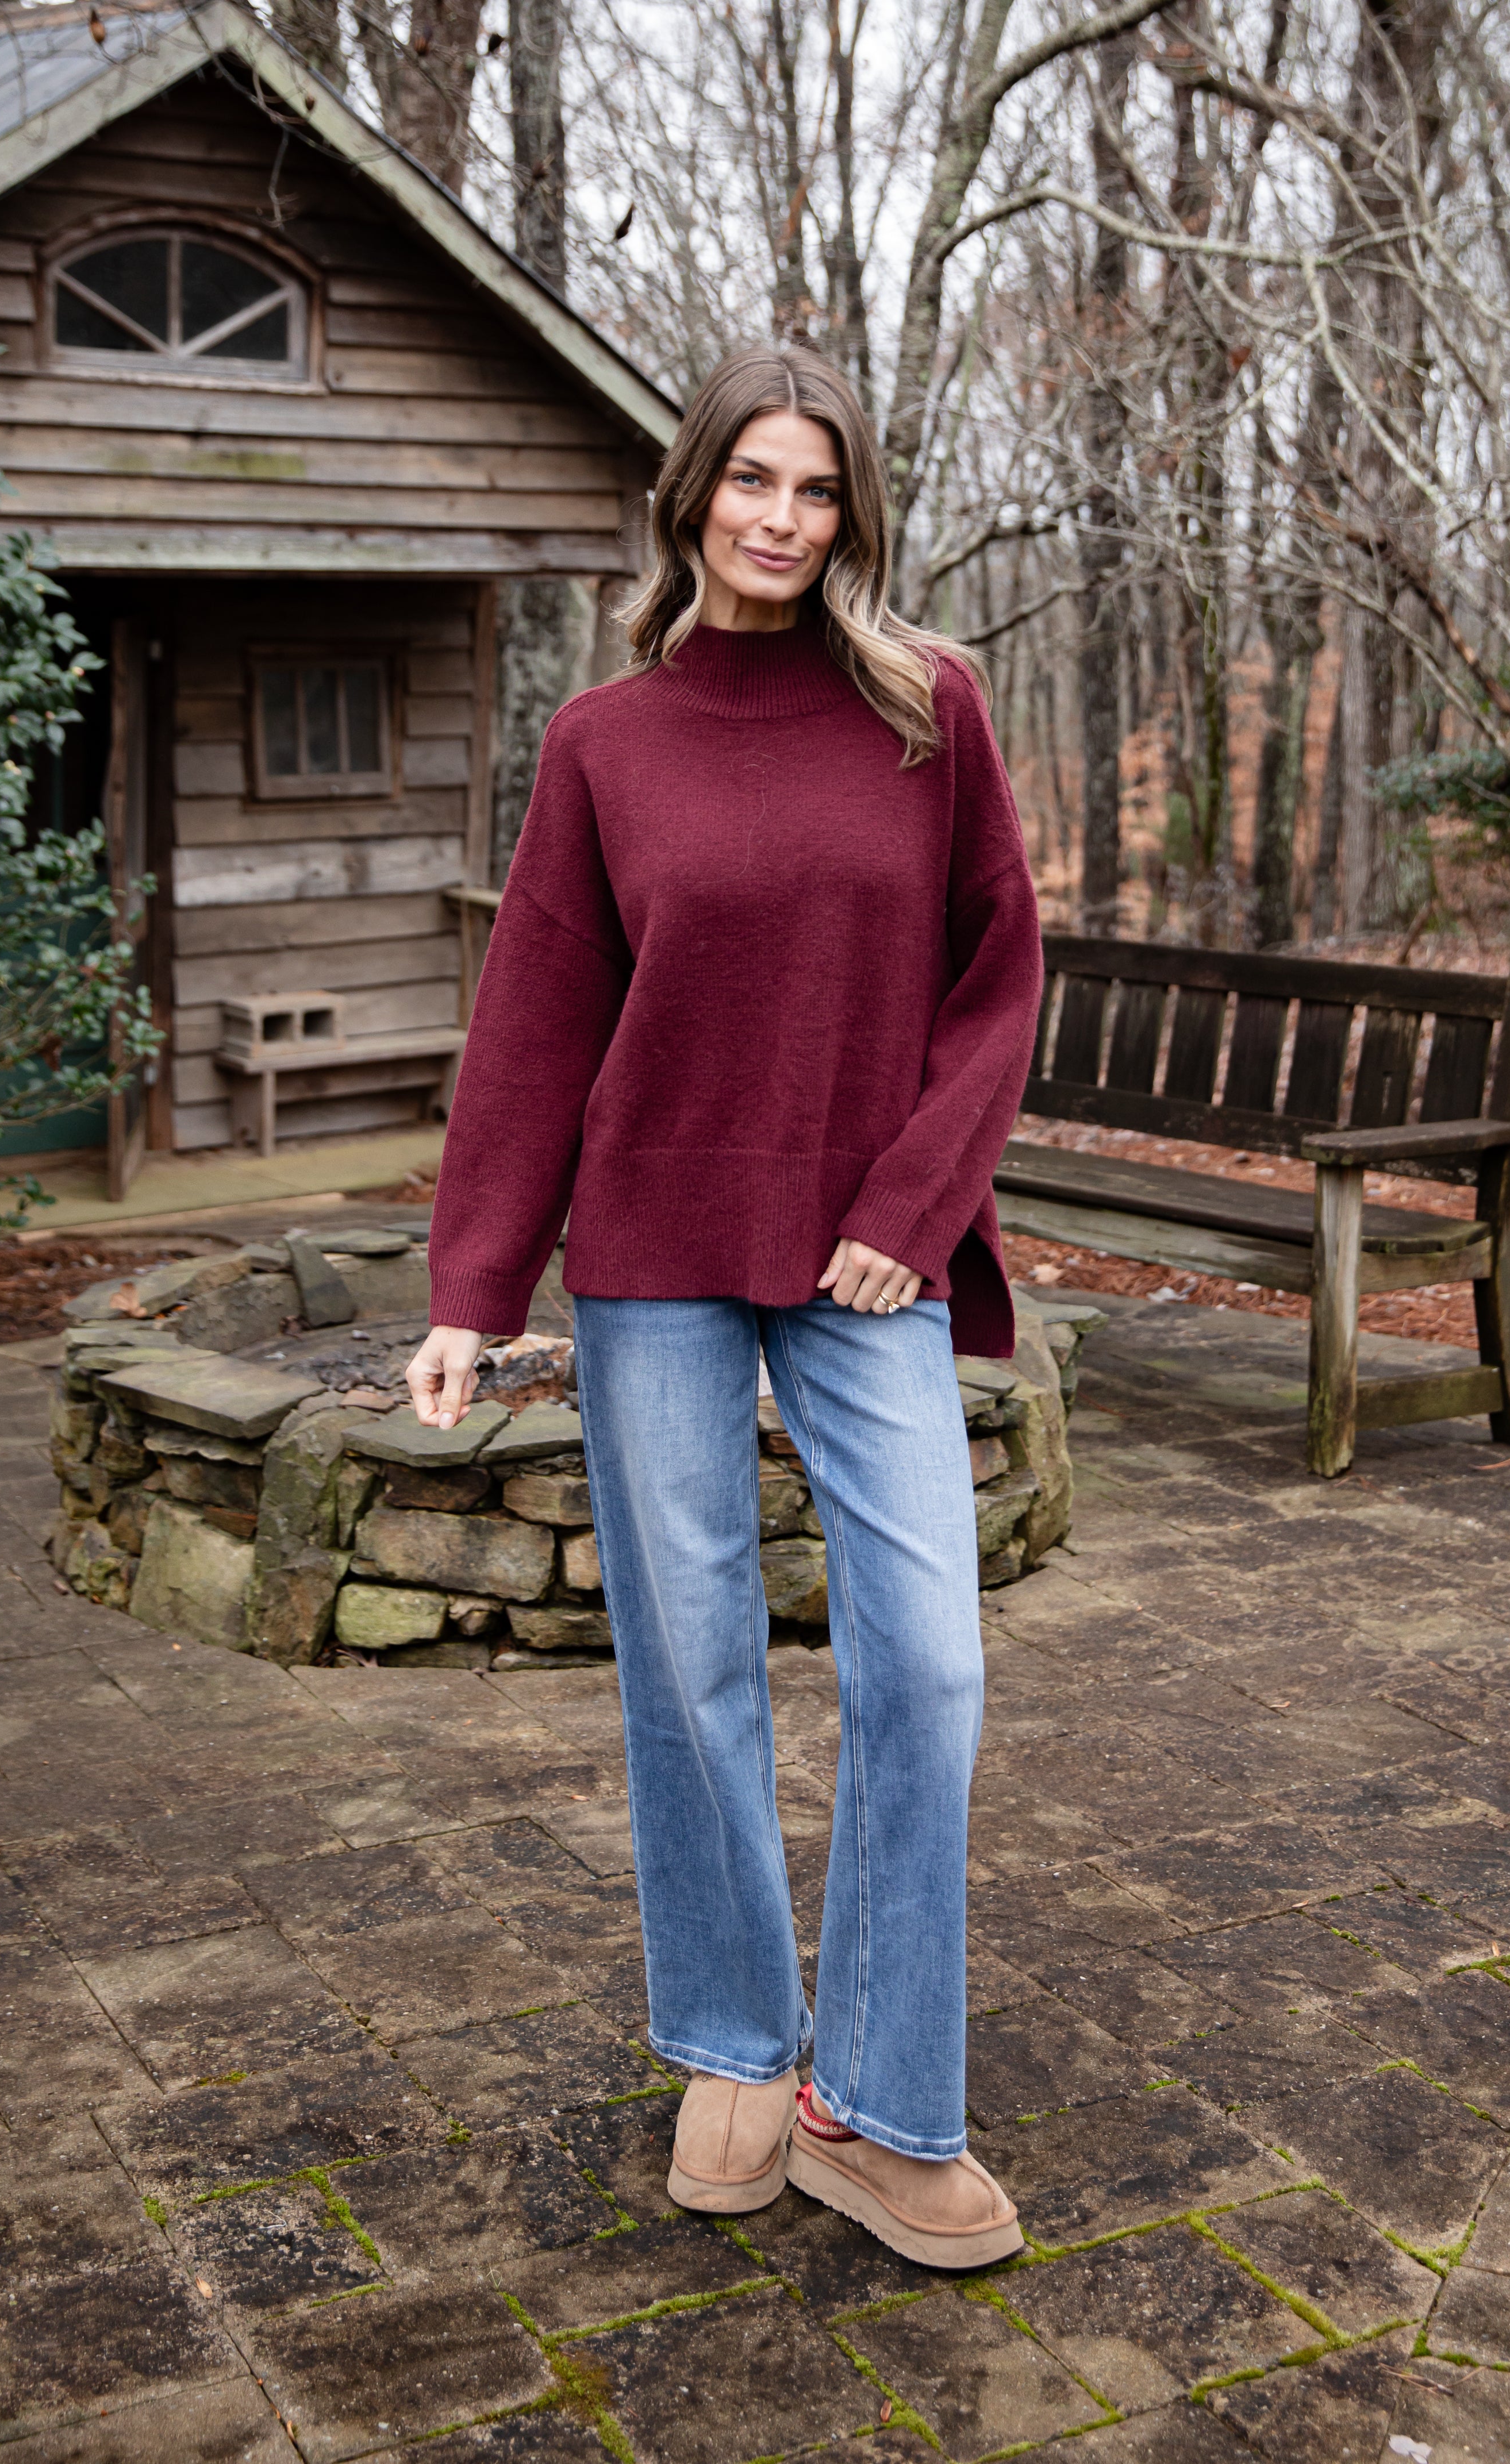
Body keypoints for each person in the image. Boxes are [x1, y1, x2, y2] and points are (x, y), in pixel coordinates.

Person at [406, 345, 1043, 2271]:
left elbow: (997, 979)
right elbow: (537, 1017)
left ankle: (877, 2101)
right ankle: (739, 2052)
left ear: (854, 513)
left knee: (924, 1663)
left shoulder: (930, 711)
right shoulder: (606, 739)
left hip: (867, 1259)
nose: (779, 519)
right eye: (750, 481)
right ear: (691, 495)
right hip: (655, 1260)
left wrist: (910, 1209)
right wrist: (470, 1284)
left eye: (817, 490)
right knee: (687, 1674)